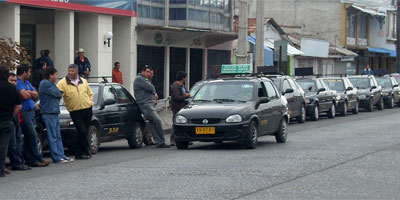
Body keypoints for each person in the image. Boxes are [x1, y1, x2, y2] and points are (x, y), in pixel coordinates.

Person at [57, 64, 94, 159]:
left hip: (87, 108)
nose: (70, 73)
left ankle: (81, 151)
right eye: (69, 71)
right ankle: (84, 150)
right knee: (81, 130)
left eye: (72, 71)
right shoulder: (63, 83)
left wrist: (90, 103)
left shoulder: (84, 81)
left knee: (84, 131)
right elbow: (57, 95)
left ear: (77, 72)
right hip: (75, 110)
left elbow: (90, 93)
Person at [16, 64, 49, 168]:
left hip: (31, 111)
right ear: (24, 72)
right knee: (32, 135)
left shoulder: (27, 83)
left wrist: (29, 92)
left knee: (31, 136)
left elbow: (36, 95)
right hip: (24, 112)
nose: (30, 74)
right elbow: (24, 96)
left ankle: (33, 158)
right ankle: (34, 158)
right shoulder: (18, 82)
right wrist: (29, 93)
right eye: (29, 72)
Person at [39, 68, 74, 164]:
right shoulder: (45, 84)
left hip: (54, 112)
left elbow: (58, 93)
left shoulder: (52, 84)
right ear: (50, 75)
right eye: (55, 74)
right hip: (48, 113)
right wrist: (59, 92)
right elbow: (57, 93)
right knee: (52, 136)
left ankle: (62, 155)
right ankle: (56, 156)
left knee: (58, 136)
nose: (56, 77)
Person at [134, 66, 169, 148]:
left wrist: (153, 96)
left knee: (152, 122)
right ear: (142, 71)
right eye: (147, 72)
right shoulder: (140, 79)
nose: (149, 73)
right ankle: (161, 141)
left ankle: (156, 141)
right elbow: (150, 88)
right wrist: (153, 92)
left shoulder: (145, 80)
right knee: (157, 121)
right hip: (145, 104)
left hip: (149, 103)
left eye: (150, 72)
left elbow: (150, 90)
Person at [0, 66, 22, 177]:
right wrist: (11, 114)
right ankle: (1, 169)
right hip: (7, 120)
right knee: (3, 146)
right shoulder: (13, 88)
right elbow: (19, 106)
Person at [7, 73, 31, 171]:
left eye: (15, 81)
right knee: (12, 142)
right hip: (10, 118)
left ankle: (19, 161)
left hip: (18, 119)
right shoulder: (7, 90)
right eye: (11, 80)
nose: (13, 82)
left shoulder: (16, 91)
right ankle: (16, 162)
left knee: (18, 141)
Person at [169, 71, 190, 146]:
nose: (186, 79)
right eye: (185, 77)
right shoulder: (175, 86)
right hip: (177, 107)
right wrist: (186, 96)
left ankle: (186, 137)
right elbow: (177, 97)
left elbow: (186, 92)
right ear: (183, 78)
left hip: (183, 106)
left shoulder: (182, 86)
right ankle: (173, 139)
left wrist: (188, 94)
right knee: (175, 123)